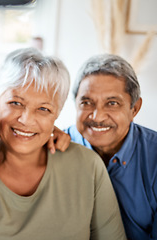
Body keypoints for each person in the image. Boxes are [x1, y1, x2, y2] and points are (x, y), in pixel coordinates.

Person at [0, 48, 127, 239]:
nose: (26, 120)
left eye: (43, 108)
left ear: (56, 114)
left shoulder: (88, 165)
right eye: (16, 103)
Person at [65, 53, 157, 240]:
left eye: (112, 103)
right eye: (86, 102)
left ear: (134, 109)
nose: (97, 117)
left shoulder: (154, 156)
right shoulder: (54, 147)